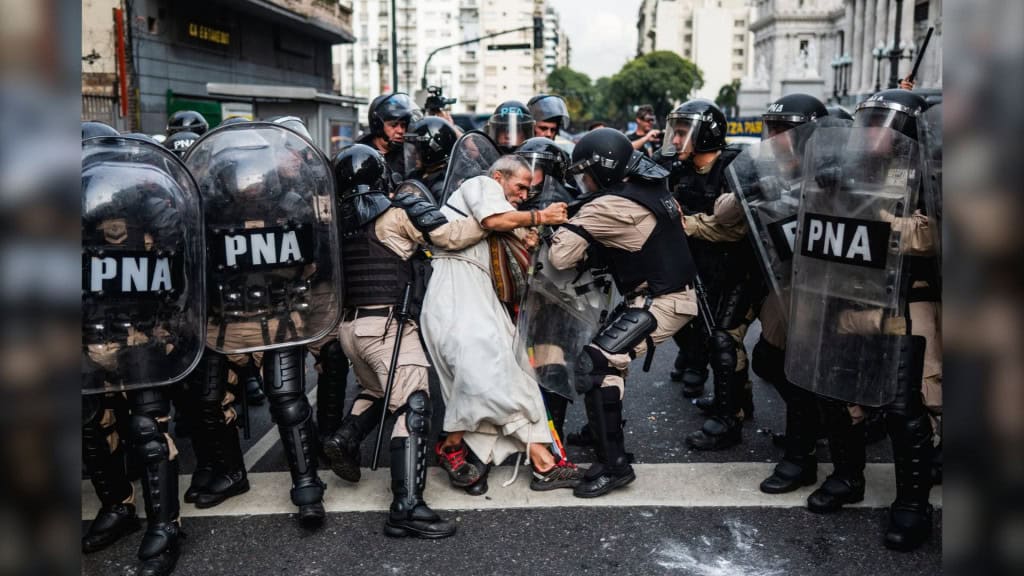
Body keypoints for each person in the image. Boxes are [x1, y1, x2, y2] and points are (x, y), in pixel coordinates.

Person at [790, 88, 938, 551]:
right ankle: (847, 476)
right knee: (834, 392)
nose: (868, 130)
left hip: (904, 304)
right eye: (866, 119)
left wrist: (867, 206)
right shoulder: (846, 169)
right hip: (847, 297)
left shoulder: (931, 173)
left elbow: (926, 236)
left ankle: (912, 504)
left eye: (880, 121)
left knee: (901, 407)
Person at [322, 143, 493, 537]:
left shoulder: (335, 222)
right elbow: (449, 237)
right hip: (387, 327)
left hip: (350, 330)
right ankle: (406, 507)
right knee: (413, 406)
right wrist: (489, 218)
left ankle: (345, 439)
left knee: (377, 389)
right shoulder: (395, 215)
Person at [548, 128, 699, 497]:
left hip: (661, 300)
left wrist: (564, 224)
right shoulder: (651, 188)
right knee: (608, 361)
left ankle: (614, 466)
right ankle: (601, 431)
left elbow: (559, 256)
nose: (584, 182)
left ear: (602, 171)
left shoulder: (607, 205)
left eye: (586, 174)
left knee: (596, 362)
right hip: (663, 292)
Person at [82, 134, 206, 575]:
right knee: (91, 427)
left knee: (149, 432)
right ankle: (118, 506)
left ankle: (164, 526)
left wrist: (169, 321)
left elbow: (181, 264)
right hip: (90, 335)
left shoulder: (152, 210)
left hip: (141, 335)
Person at [420, 156, 580, 493]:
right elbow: (493, 219)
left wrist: (528, 236)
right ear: (497, 176)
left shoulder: (505, 212)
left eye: (528, 190)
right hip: (455, 291)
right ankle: (453, 445)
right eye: (520, 186)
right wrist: (541, 216)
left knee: (515, 376)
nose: (523, 195)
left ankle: (542, 461)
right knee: (478, 373)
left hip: (480, 295)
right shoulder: (480, 186)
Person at [660, 99, 744, 404]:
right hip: (689, 263)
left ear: (705, 134)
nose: (676, 139)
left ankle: (732, 407)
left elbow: (737, 229)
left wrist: (688, 225)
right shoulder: (678, 169)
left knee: (723, 340)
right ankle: (692, 357)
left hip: (731, 268)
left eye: (683, 132)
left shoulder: (732, 169)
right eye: (675, 132)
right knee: (678, 317)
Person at [358, 93, 423, 177]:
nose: (400, 131)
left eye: (403, 125)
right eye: (394, 125)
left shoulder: (409, 155)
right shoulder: (361, 155)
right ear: (378, 126)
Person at [403, 115, 459, 199]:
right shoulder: (417, 174)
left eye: (417, 149)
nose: (413, 153)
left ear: (432, 150)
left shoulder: (442, 186)